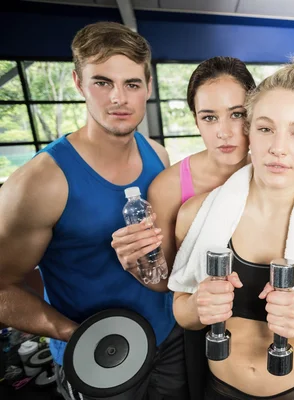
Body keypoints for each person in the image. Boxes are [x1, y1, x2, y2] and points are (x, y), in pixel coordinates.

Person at [0, 22, 187, 399]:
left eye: (132, 84)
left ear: (148, 87)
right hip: (98, 357)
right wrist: (76, 334)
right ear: (78, 82)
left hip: (169, 341)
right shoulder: (40, 182)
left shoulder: (158, 155)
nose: (119, 98)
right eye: (102, 82)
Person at [168, 60, 294, 399]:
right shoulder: (196, 215)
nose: (278, 147)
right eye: (266, 128)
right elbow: (182, 311)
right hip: (219, 390)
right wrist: (200, 303)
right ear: (250, 133)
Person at [111, 56, 256, 399]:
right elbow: (165, 282)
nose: (224, 131)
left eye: (237, 114)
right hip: (202, 330)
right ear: (196, 120)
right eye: (209, 117)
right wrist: (137, 265)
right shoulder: (168, 188)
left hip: (268, 325)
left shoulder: (277, 170)